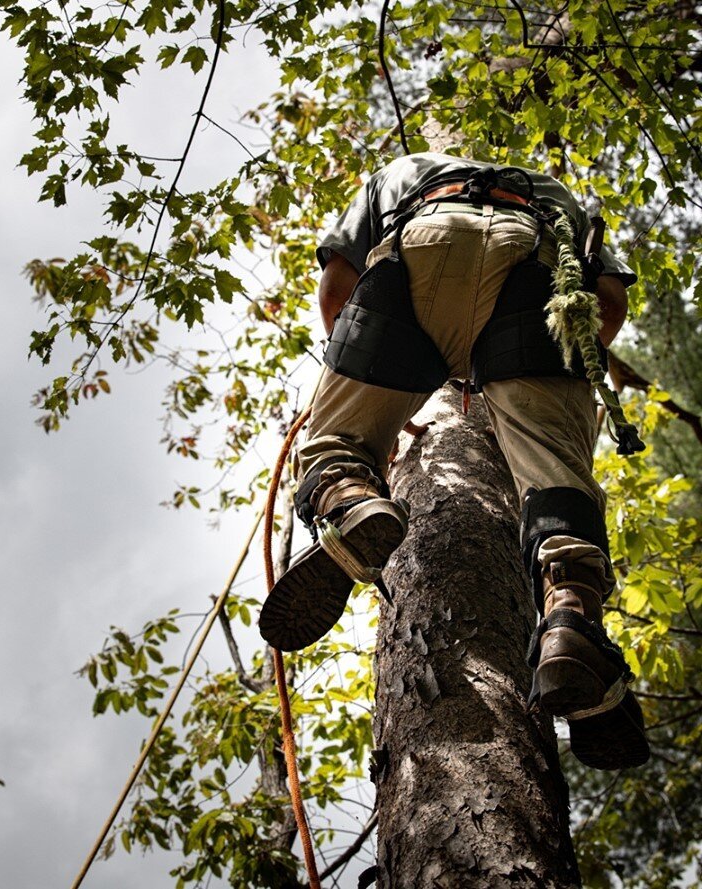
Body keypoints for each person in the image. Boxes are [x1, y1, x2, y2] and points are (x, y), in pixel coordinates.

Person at [259, 153, 649, 770]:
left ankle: (350, 498)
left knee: (335, 443)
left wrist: (376, 386)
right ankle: (571, 613)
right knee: (554, 473)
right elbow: (606, 301)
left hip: (417, 250)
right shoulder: (558, 195)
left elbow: (337, 287)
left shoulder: (404, 169)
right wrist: (531, 383)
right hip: (535, 271)